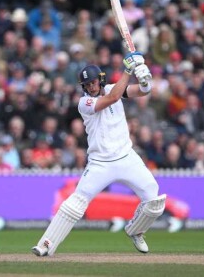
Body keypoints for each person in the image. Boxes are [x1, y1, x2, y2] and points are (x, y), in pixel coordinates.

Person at [31, 52, 167, 256]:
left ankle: (136, 231)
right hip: (100, 164)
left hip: (127, 157)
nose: (90, 87)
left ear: (100, 80)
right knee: (76, 203)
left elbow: (142, 92)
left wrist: (144, 78)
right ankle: (46, 245)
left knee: (154, 200)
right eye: (86, 85)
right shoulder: (84, 103)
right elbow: (111, 98)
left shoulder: (115, 88)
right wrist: (128, 70)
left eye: (93, 83)